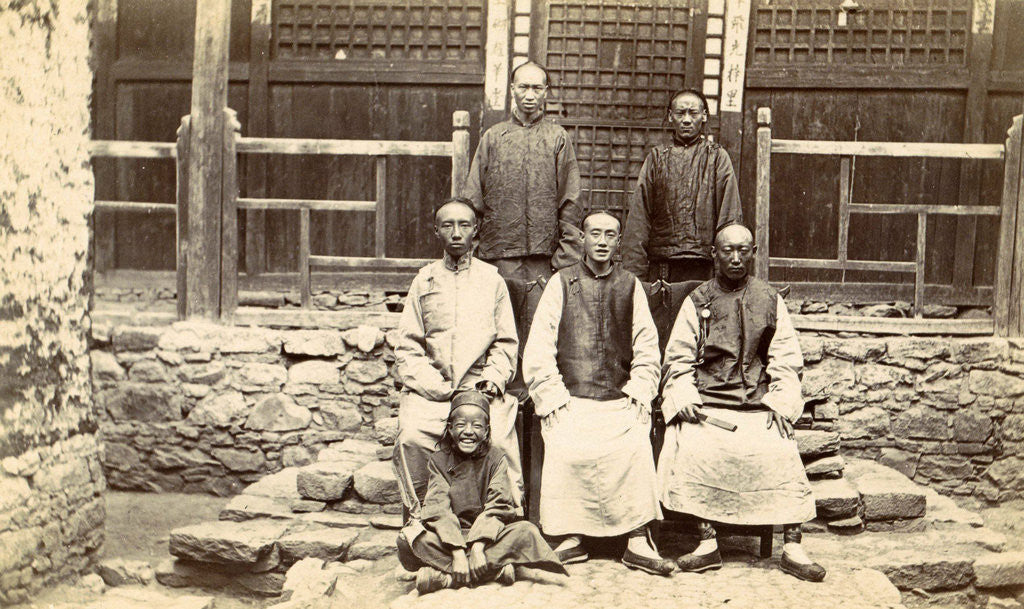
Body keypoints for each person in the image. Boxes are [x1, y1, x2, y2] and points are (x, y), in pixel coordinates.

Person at [658, 224, 826, 582]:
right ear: (714, 254)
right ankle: (707, 542)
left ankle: (792, 546)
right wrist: (685, 397)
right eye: (728, 250)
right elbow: (678, 358)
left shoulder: (769, 299)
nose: (736, 258)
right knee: (692, 447)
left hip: (758, 406)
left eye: (743, 250)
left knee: (781, 450)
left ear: (753, 253)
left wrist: (781, 403)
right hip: (710, 406)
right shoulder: (697, 300)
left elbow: (785, 358)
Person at [523, 211, 674, 576]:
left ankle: (636, 539)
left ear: (619, 242)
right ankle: (571, 537)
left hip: (619, 400)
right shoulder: (561, 284)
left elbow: (647, 347)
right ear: (583, 239)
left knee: (635, 443)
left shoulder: (630, 285)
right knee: (564, 442)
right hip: (570, 398)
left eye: (610, 235)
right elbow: (539, 347)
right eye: (595, 234)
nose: (602, 241)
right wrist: (552, 397)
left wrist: (639, 392)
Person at [462, 61, 583, 397]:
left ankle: (537, 408)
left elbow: (570, 201)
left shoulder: (558, 138)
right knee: (499, 332)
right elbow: (473, 198)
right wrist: (473, 254)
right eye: (523, 87)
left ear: (546, 92)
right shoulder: (492, 138)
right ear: (512, 90)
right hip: (498, 256)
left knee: (541, 336)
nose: (530, 96)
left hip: (544, 259)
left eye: (537, 88)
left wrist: (566, 257)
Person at [393, 198, 522, 506]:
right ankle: (423, 516)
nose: (456, 233)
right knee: (412, 436)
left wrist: (491, 381)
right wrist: (435, 386)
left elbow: (505, 342)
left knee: (500, 439)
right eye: (447, 225)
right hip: (432, 390)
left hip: (479, 389)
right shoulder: (424, 280)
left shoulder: (491, 280)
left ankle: (502, 517)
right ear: (436, 230)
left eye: (464, 225)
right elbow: (408, 344)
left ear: (475, 231)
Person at [396, 391, 566, 595]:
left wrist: (477, 547)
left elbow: (499, 505)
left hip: (488, 538)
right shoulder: (439, 461)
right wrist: (458, 552)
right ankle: (493, 572)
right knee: (409, 538)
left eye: (476, 426)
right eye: (460, 425)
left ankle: (446, 578)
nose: (468, 431)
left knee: (526, 531)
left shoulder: (496, 459)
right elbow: (437, 508)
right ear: (450, 429)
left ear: (486, 431)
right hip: (450, 538)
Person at [620, 89, 743, 283]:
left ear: (704, 116)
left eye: (693, 113)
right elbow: (638, 219)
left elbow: (729, 216)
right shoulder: (657, 157)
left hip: (704, 269)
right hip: (662, 268)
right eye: (680, 113)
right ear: (670, 116)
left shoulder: (718, 157)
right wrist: (635, 277)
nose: (686, 120)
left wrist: (725, 274)